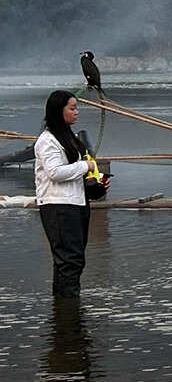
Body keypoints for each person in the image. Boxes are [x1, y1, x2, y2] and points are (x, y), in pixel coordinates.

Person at [35, 91, 108, 299]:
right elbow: (55, 172)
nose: (77, 112)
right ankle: (69, 312)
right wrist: (86, 165)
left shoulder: (69, 138)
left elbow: (76, 175)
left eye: (77, 108)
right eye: (72, 108)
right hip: (58, 206)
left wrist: (97, 185)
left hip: (75, 204)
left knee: (72, 260)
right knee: (69, 261)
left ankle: (64, 313)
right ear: (59, 111)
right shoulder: (47, 140)